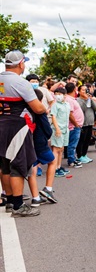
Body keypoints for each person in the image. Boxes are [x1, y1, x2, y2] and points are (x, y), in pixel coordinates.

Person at [0, 50, 46, 217]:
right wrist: (45, 108)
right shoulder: (21, 83)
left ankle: (10, 200)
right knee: (18, 165)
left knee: (4, 165)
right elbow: (38, 108)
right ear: (20, 64)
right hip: (17, 127)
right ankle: (18, 205)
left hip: (1, 125)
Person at [50, 87, 71, 178]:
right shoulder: (55, 105)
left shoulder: (67, 104)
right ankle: (54, 169)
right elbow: (53, 117)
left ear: (65, 95)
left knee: (61, 149)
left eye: (59, 94)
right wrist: (57, 128)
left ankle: (59, 167)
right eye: (56, 94)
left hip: (65, 129)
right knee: (56, 149)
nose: (57, 96)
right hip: (57, 130)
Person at [76, 84, 96, 164]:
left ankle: (84, 155)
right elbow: (83, 109)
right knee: (81, 140)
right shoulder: (78, 100)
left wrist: (90, 99)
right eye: (83, 90)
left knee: (87, 140)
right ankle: (79, 156)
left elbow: (95, 107)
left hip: (90, 122)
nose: (85, 91)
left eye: (86, 90)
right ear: (79, 91)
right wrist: (86, 100)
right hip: (83, 123)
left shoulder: (89, 99)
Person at [65, 83, 84, 169]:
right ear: (74, 90)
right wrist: (76, 124)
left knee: (73, 144)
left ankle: (73, 158)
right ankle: (71, 161)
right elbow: (70, 114)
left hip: (76, 125)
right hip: (73, 126)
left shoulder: (72, 99)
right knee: (72, 144)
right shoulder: (69, 100)